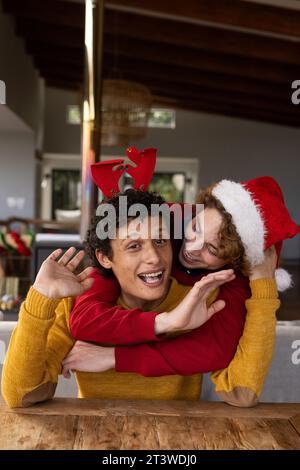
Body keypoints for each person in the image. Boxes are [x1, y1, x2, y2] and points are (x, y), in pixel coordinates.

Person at [65, 175, 299, 406]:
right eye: (196, 227)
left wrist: (262, 285)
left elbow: (215, 352)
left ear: (234, 261)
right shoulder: (156, 225)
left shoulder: (232, 280)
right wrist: (167, 322)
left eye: (212, 249)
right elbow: (85, 318)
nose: (192, 248)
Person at [2, 190, 240, 408]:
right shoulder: (75, 303)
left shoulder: (200, 298)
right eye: (134, 246)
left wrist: (262, 281)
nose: (154, 258)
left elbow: (242, 392)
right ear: (105, 258)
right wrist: (40, 297)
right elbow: (20, 394)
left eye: (160, 241)